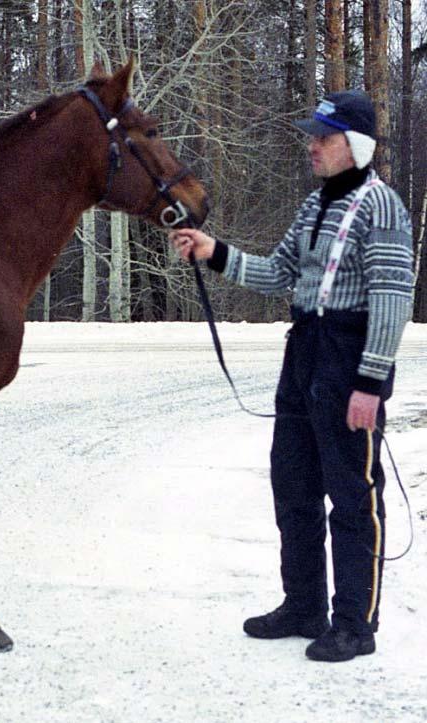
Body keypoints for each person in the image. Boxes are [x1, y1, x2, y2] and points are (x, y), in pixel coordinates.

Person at [170, 90, 414, 662]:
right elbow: (280, 271)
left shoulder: (384, 208)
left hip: (350, 357)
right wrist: (215, 251)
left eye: (323, 137)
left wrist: (370, 384)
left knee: (352, 496)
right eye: (312, 135)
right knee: (294, 484)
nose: (312, 146)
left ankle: (355, 623)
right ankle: (304, 606)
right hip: (304, 350)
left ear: (354, 145)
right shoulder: (313, 206)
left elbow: (392, 299)